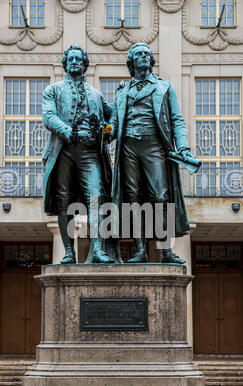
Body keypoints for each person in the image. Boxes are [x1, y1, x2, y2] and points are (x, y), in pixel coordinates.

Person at [109, 42, 197, 264]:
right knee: (133, 198)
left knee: (160, 196)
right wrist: (103, 132)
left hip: (154, 146)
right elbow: (114, 124)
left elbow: (177, 119)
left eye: (147, 54)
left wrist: (183, 148)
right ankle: (140, 250)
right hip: (128, 146)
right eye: (138, 54)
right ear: (131, 61)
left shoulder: (164, 87)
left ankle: (166, 250)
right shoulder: (122, 91)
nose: (143, 57)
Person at [42, 45, 114, 264]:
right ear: (65, 64)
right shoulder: (53, 90)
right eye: (70, 59)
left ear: (84, 65)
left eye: (78, 59)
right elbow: (48, 116)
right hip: (63, 150)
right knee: (64, 202)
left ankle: (99, 249)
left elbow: (113, 120)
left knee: (96, 197)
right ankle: (68, 252)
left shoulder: (96, 95)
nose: (74, 62)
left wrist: (107, 132)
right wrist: (67, 131)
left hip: (90, 153)